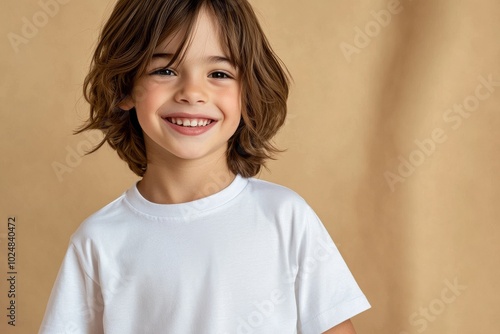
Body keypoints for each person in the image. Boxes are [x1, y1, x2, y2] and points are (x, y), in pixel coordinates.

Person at [39, 0, 370, 333]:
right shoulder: (98, 241)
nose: (193, 93)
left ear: (248, 93)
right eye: (165, 70)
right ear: (125, 87)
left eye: (219, 74)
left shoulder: (285, 218)